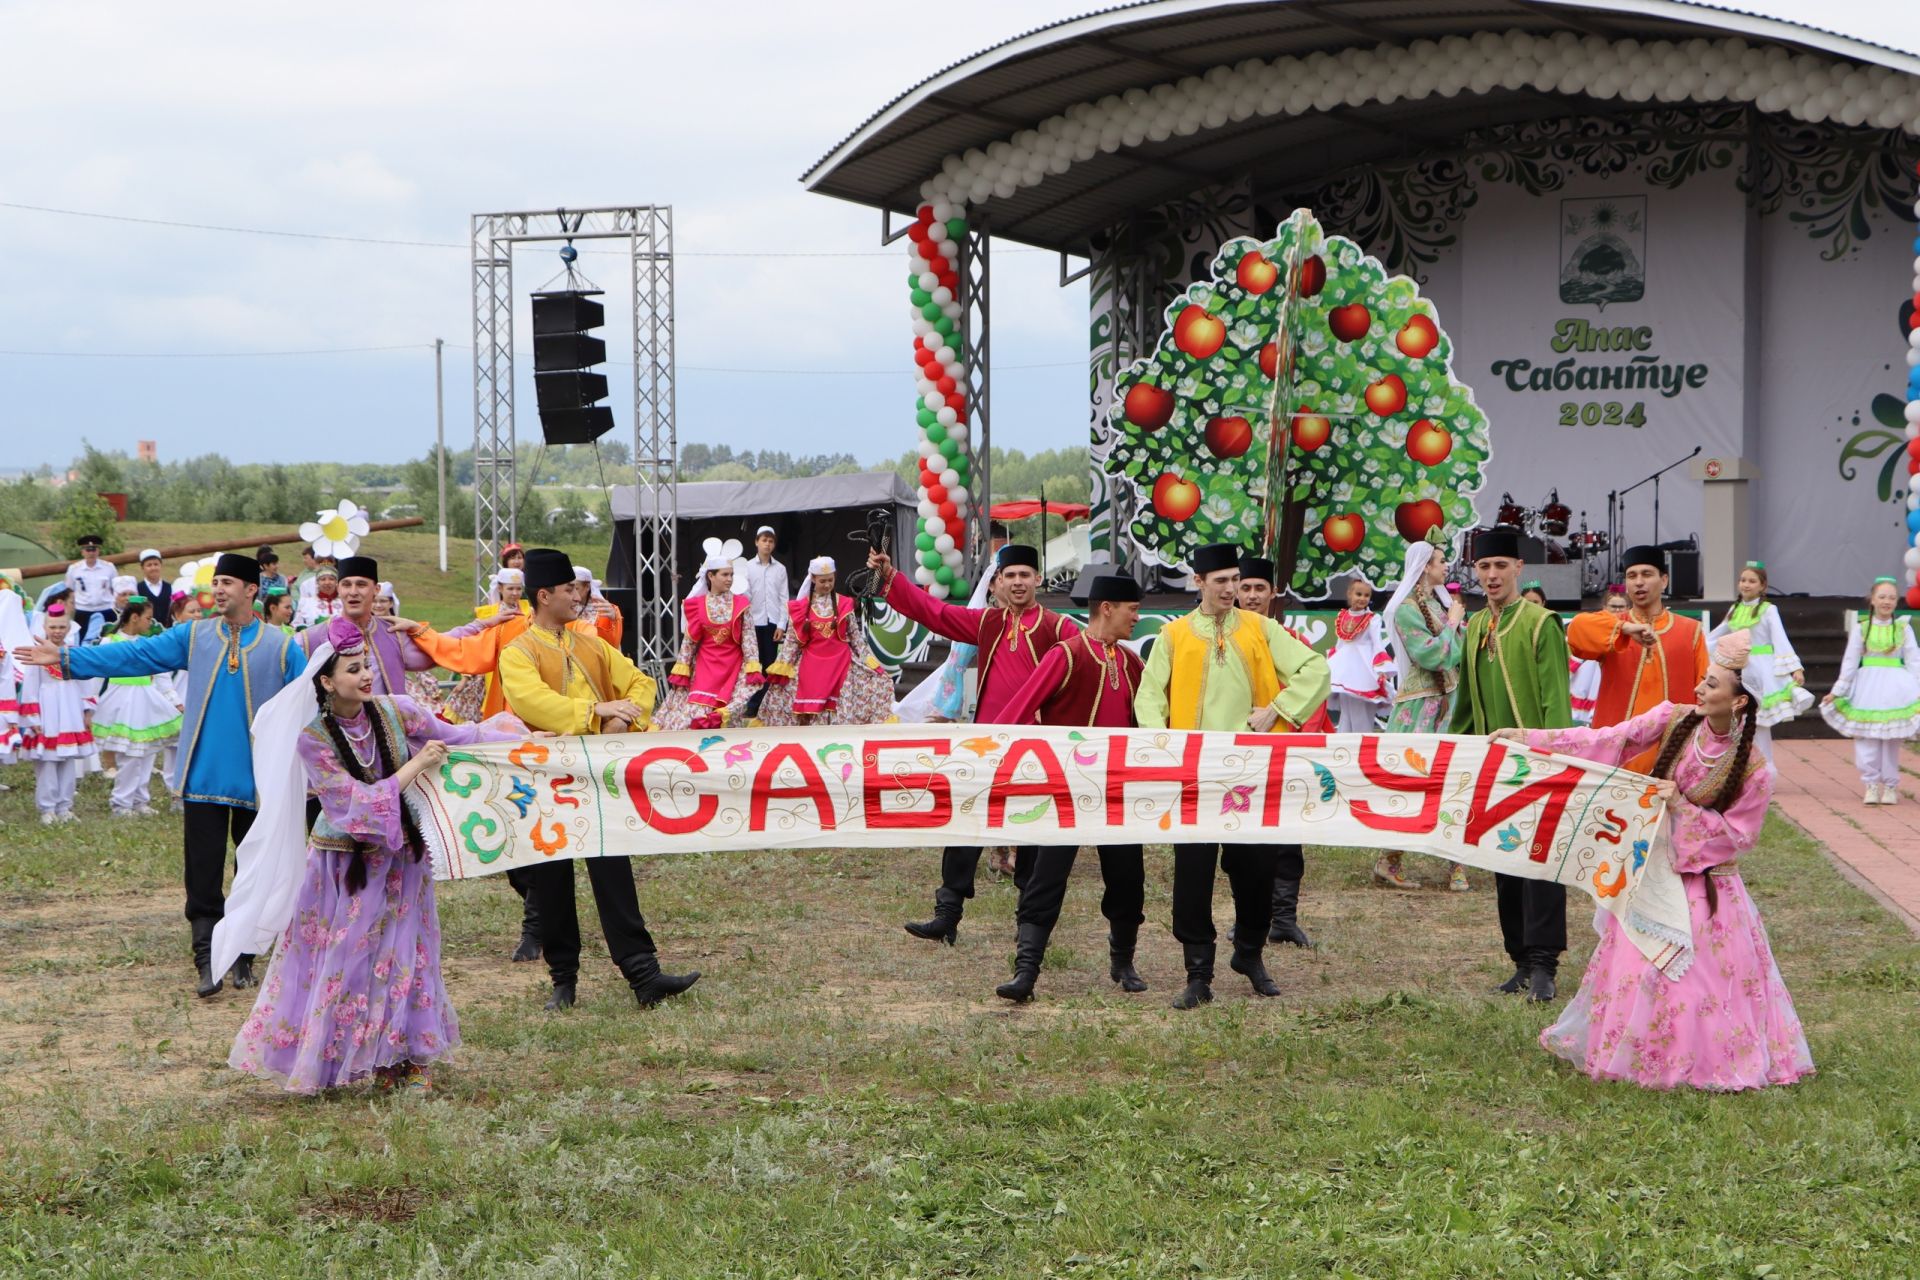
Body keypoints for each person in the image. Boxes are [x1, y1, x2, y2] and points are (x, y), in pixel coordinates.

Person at [224, 616, 529, 1094]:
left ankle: (402, 1061)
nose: (365, 675)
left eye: (366, 665)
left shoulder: (397, 710)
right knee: (347, 957)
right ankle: (328, 1060)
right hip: (344, 865)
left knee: (406, 953)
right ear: (326, 682)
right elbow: (349, 803)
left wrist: (526, 744)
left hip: (402, 856)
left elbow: (460, 738)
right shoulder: (313, 740)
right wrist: (415, 765)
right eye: (352, 669)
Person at [1497, 632, 1814, 1091]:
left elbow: (1738, 838)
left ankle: (1704, 1062)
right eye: (1702, 681)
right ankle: (1640, 1056)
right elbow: (1607, 740)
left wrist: (1682, 808)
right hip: (1654, 869)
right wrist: (1530, 739)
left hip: (1708, 886)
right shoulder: (1674, 718)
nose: (1700, 691)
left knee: (1700, 976)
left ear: (1740, 702)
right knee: (1638, 967)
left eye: (1711, 686)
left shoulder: (1755, 770)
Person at [14, 553, 304, 996]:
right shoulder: (194, 636)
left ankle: (244, 952)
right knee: (202, 873)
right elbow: (137, 654)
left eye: (228, 582)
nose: (219, 589)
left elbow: (311, 706)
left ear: (251, 590)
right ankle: (207, 956)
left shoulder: (282, 647)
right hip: (202, 777)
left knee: (253, 871)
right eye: (216, 581)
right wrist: (68, 658)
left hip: (259, 783)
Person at [499, 548, 700, 1011]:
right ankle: (563, 980)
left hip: (594, 774)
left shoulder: (590, 643)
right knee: (551, 879)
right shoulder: (519, 652)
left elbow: (641, 685)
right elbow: (533, 703)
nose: (578, 595)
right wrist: (595, 713)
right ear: (544, 594)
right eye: (570, 589)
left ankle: (643, 974)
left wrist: (620, 721)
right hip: (547, 776)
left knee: (614, 870)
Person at [1134, 543, 1331, 1010]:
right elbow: (1149, 698)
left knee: (1257, 872)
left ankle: (1249, 954)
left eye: (1235, 580)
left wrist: (1278, 710)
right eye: (1220, 580)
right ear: (1198, 582)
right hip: (1195, 776)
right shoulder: (1174, 636)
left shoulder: (1261, 629)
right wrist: (1162, 747)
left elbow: (1315, 667)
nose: (1230, 589)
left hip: (1250, 774)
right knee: (1193, 876)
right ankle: (1197, 972)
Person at [867, 542, 1078, 944]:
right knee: (965, 824)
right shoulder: (988, 624)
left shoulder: (1058, 627)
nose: (1017, 582)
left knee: (1033, 831)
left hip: (1037, 747)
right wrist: (890, 579)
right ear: (998, 583)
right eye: (1009, 575)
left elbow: (1086, 658)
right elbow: (935, 613)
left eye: (1024, 575)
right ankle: (947, 915)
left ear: (1038, 580)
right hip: (987, 743)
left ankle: (1028, 925)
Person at [995, 574, 1150, 1000]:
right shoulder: (1066, 655)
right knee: (1045, 878)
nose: (1137, 617)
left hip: (1116, 793)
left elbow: (1155, 718)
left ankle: (1123, 962)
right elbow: (1017, 712)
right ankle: (1025, 972)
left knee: (1127, 880)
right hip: (1064, 791)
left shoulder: (1132, 662)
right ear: (1107, 608)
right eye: (1131, 609)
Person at [1447, 527, 1573, 1002]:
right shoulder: (1476, 626)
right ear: (1475, 572)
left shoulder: (1542, 624)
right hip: (1493, 765)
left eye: (1502, 565)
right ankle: (1519, 959)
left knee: (1540, 865)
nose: (1493, 574)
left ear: (1520, 569)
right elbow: (1465, 703)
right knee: (1504, 861)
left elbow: (1556, 702)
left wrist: (1557, 759)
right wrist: (1452, 753)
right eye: (1484, 566)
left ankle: (1544, 965)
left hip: (1538, 764)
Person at [1234, 555, 1330, 944]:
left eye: (1260, 588)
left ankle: (1285, 918)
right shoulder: (1227, 641)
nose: (1253, 595)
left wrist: (1299, 746)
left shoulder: (1294, 643)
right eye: (1246, 588)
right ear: (1234, 591)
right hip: (1241, 754)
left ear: (1274, 593)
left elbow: (1315, 693)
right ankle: (1250, 916)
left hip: (1288, 752)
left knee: (1287, 838)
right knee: (1242, 841)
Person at [1375, 530, 1470, 893]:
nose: (1446, 566)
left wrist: (1453, 623)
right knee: (1415, 780)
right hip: (1422, 706)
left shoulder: (1438, 605)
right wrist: (1453, 624)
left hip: (1450, 701)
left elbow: (1457, 649)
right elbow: (1433, 654)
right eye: (1441, 561)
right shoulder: (1407, 609)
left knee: (1456, 778)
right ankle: (1390, 857)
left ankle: (1457, 862)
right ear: (1424, 566)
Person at [1566, 545, 1709, 773]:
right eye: (1632, 576)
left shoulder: (1690, 631)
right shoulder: (1616, 626)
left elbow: (1704, 691)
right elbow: (1576, 631)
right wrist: (1624, 627)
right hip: (1618, 756)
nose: (1639, 582)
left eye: (1647, 574)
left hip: (1673, 754)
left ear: (1664, 581)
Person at [758, 556, 895, 726]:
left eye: (830, 580)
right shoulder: (801, 608)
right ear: (813, 579)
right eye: (822, 581)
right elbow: (792, 642)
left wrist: (872, 663)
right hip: (812, 668)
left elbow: (856, 637)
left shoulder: (844, 604)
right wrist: (783, 667)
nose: (827, 585)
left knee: (880, 683)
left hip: (842, 665)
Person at [1821, 577, 1920, 804]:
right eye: (1882, 597)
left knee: (1891, 738)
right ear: (1872, 600)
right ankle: (1871, 784)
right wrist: (1837, 691)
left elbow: (1915, 660)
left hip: (1897, 687)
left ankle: (1891, 786)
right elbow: (1850, 662)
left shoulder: (1903, 628)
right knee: (1866, 737)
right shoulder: (1862, 628)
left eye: (1892, 598)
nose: (1887, 602)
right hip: (1867, 687)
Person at [1709, 561, 1812, 765]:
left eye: (1752, 581)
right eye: (1743, 580)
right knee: (1738, 720)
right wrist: (1696, 644)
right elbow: (1717, 635)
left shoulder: (1768, 609)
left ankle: (1764, 770)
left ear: (1762, 586)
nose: (1746, 584)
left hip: (1762, 670)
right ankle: (1740, 767)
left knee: (1759, 722)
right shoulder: (1735, 608)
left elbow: (1779, 638)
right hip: (1738, 669)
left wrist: (1794, 668)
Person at [295, 557, 436, 697]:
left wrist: (416, 628)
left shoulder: (393, 634)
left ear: (376, 589)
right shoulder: (310, 639)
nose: (353, 592)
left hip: (387, 718)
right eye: (346, 585)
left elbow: (438, 651)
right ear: (338, 589)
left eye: (361, 584)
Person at [91, 597, 180, 817]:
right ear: (134, 617)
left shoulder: (147, 644)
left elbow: (161, 675)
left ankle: (140, 800)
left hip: (146, 699)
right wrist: (89, 703)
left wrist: (172, 699)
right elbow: (94, 674)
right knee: (129, 755)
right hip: (121, 700)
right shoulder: (110, 642)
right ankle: (122, 803)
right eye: (147, 618)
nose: (150, 623)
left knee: (147, 750)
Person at [656, 551, 760, 731]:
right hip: (705, 667)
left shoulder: (741, 604)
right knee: (694, 716)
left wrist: (752, 666)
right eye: (725, 574)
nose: (729, 579)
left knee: (725, 719)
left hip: (731, 668)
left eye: (731, 575)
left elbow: (749, 639)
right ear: (711, 576)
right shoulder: (697, 605)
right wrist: (683, 668)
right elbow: (689, 642)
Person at [17, 604, 98, 823]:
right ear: (45, 627)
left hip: (70, 711)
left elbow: (85, 684)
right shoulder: (37, 652)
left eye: (62, 626)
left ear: (69, 627)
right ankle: (47, 808)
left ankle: (65, 806)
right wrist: (33, 717)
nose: (57, 631)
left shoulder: (73, 652)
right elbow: (30, 686)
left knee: (68, 760)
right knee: (48, 762)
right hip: (48, 711)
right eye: (53, 626)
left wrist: (87, 711)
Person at [1326, 576, 1392, 731]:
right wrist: (1332, 665)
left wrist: (1381, 669)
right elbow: (1340, 643)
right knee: (1346, 711)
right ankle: (1343, 743)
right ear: (1349, 594)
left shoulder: (1372, 619)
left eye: (1366, 595)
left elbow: (1377, 643)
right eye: (1358, 594)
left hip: (1363, 668)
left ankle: (1361, 742)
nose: (1362, 598)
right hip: (1345, 667)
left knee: (1361, 711)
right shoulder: (1343, 616)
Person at [740, 526, 789, 718]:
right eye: (764, 540)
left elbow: (784, 598)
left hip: (772, 622)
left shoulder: (780, 569)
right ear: (756, 542)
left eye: (770, 541)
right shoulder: (747, 568)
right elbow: (744, 595)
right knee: (754, 664)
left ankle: (768, 703)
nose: (767, 544)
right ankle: (752, 704)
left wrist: (781, 625)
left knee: (771, 664)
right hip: (753, 622)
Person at [1571, 587, 1626, 726]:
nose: (1618, 611)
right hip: (1590, 683)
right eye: (1613, 607)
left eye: (1621, 607)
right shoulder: (1593, 622)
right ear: (1604, 607)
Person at [65, 534, 117, 643]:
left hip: (106, 609)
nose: (91, 553)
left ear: (98, 551)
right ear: (82, 552)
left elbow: (115, 588)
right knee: (81, 640)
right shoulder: (74, 569)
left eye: (94, 549)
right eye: (88, 550)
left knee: (109, 640)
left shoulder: (109, 567)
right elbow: (70, 589)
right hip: (83, 611)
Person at [133, 550, 173, 627]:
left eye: (156, 564)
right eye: (149, 565)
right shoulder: (137, 588)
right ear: (142, 568)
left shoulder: (169, 587)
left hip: (167, 629)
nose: (153, 568)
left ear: (161, 565)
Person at [294, 564, 341, 629]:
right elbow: (296, 625)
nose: (327, 582)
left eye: (331, 579)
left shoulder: (345, 602)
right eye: (323, 579)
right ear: (317, 582)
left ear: (336, 582)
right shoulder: (306, 602)